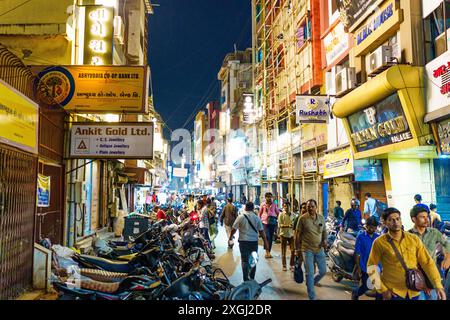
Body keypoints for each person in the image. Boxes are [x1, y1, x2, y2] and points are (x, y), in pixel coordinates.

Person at [367, 207, 446, 300]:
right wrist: (383, 289)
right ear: (384, 222)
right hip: (393, 293)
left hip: (414, 290)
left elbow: (427, 263)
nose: (395, 222)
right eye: (390, 220)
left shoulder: (413, 239)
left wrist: (438, 286)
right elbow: (371, 267)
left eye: (397, 219)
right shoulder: (379, 242)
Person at [408, 205, 450, 300]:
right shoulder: (408, 236)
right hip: (415, 277)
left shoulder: (434, 232)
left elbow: (446, 243)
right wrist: (422, 283)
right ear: (413, 219)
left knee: (434, 297)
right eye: (422, 217)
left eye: (427, 216)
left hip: (432, 275)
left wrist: (448, 257)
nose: (426, 220)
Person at [295, 199, 328, 300]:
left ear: (316, 207)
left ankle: (310, 283)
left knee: (323, 271)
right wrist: (297, 250)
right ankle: (312, 297)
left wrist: (325, 240)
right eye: (308, 206)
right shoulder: (302, 219)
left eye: (312, 206)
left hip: (319, 248)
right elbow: (297, 235)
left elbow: (324, 231)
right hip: (307, 249)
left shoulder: (321, 218)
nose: (310, 208)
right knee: (309, 273)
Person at [229, 202, 269, 282]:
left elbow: (234, 228)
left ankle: (245, 279)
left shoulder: (240, 217)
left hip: (243, 242)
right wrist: (266, 242)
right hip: (253, 242)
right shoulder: (256, 218)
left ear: (245, 208)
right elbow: (261, 231)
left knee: (244, 261)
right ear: (253, 208)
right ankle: (252, 278)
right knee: (253, 260)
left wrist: (230, 237)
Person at [352, 216, 381, 300]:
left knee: (379, 289)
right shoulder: (360, 237)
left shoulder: (378, 237)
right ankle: (356, 292)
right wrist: (358, 267)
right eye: (369, 226)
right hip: (365, 267)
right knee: (366, 286)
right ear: (366, 226)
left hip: (377, 267)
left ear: (376, 227)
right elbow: (357, 253)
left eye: (373, 227)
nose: (371, 228)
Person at [259, 192, 280, 258]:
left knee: (270, 238)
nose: (269, 198)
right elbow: (260, 213)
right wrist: (258, 223)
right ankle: (267, 252)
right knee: (266, 237)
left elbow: (278, 213)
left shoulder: (274, 204)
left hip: (272, 222)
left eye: (270, 197)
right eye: (268, 197)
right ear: (265, 198)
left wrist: (278, 221)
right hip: (264, 223)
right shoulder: (263, 204)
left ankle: (268, 252)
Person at [278, 203, 295, 271]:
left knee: (293, 250)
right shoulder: (281, 215)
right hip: (283, 234)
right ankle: (284, 265)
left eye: (287, 206)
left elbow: (294, 224)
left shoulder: (293, 215)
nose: (286, 207)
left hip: (291, 235)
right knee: (283, 251)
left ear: (290, 206)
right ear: (283, 207)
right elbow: (280, 225)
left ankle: (292, 265)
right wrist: (288, 226)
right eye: (285, 206)